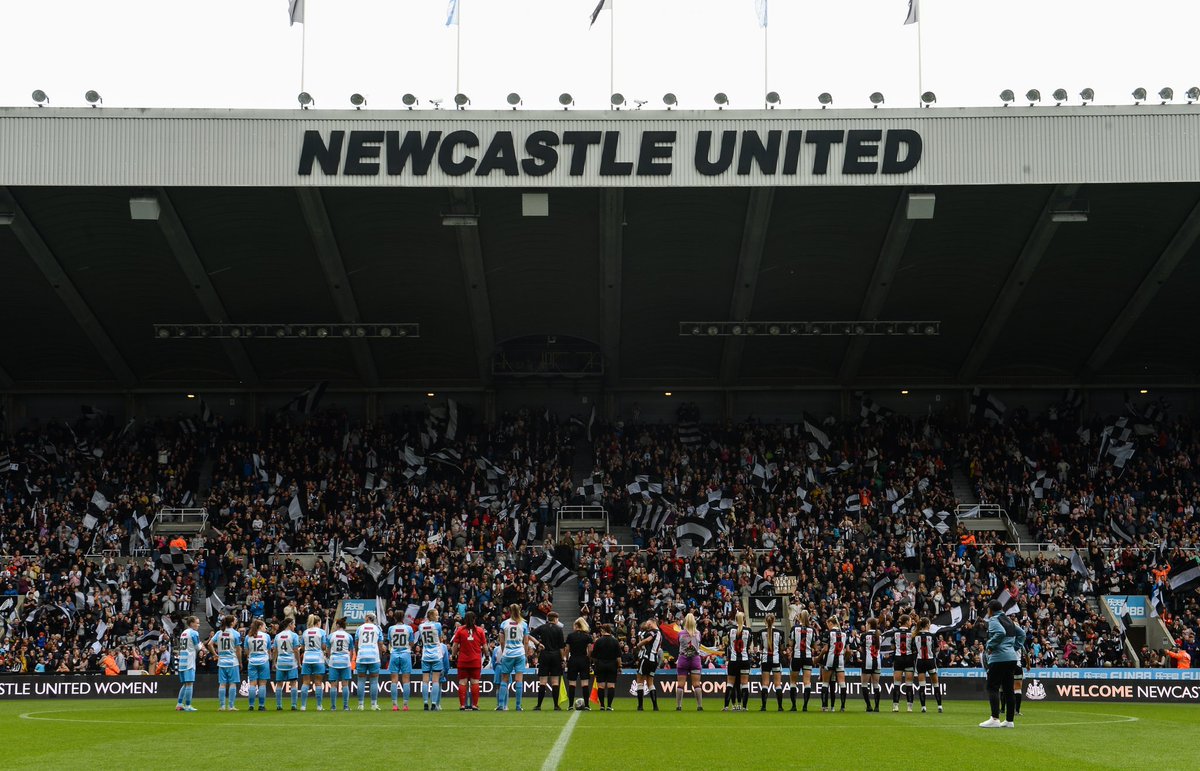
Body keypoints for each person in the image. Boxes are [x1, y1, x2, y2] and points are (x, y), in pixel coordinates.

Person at [980, 599, 1025, 729]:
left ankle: (994, 718)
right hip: (1011, 659)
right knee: (1008, 689)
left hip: (999, 658)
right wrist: (1014, 647)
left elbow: (1000, 633)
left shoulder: (994, 620)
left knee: (992, 687)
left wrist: (990, 645)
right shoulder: (1009, 620)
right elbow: (1022, 634)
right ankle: (1009, 721)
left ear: (990, 610)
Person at [450, 611, 487, 711]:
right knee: (475, 682)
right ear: (474, 619)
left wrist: (453, 656)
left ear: (464, 619)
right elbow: (484, 646)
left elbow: (455, 645)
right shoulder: (480, 630)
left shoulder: (460, 630)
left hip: (463, 660)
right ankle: (474, 705)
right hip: (475, 660)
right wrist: (487, 656)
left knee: (462, 682)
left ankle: (462, 705)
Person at [496, 604, 529, 711]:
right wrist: (525, 653)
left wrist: (503, 651)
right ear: (519, 611)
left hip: (508, 653)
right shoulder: (523, 624)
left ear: (509, 611)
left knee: (504, 680)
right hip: (519, 653)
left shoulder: (504, 623)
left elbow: (501, 641)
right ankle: (518, 706)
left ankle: (501, 705)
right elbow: (526, 641)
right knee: (519, 680)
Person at [531, 611, 567, 711]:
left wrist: (538, 644)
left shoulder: (542, 627)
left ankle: (538, 705)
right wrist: (563, 659)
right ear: (555, 619)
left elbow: (530, 635)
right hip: (555, 656)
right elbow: (561, 647)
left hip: (544, 655)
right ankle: (556, 705)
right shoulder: (559, 629)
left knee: (542, 681)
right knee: (555, 682)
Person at [207, 615, 242, 711]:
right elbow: (238, 649)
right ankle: (231, 706)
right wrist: (240, 662)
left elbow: (209, 644)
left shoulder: (219, 632)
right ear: (231, 623)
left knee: (222, 684)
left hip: (221, 661)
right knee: (232, 683)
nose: (236, 621)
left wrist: (215, 654)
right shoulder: (235, 633)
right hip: (232, 661)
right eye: (235, 620)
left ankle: (222, 706)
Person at [788, 609, 818, 712]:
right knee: (807, 682)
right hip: (808, 657)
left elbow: (791, 644)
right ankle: (805, 706)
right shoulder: (812, 630)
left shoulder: (794, 628)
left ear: (799, 617)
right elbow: (815, 645)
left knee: (793, 681)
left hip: (796, 657)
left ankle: (794, 706)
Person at [417, 609, 447, 711]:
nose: (438, 617)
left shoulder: (421, 626)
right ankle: (434, 703)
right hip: (436, 655)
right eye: (437, 615)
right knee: (435, 681)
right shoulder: (438, 625)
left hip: (425, 655)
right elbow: (439, 637)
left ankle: (425, 702)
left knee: (425, 681)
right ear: (432, 616)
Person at [914, 617, 943, 714]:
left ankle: (923, 707)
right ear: (927, 625)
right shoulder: (932, 636)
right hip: (930, 661)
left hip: (920, 661)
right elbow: (937, 649)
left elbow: (913, 649)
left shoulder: (916, 636)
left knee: (922, 685)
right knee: (935, 684)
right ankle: (939, 706)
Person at [675, 613, 703, 711]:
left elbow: (678, 643)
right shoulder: (698, 633)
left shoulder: (681, 634)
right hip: (695, 659)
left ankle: (679, 706)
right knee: (696, 684)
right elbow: (699, 644)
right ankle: (699, 706)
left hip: (683, 659)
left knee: (680, 684)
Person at [887, 613, 915, 713]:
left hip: (898, 659)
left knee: (897, 683)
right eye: (910, 621)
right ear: (907, 622)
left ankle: (895, 706)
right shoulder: (912, 634)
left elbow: (892, 647)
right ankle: (909, 707)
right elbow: (914, 647)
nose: (911, 622)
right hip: (908, 658)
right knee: (909, 684)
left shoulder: (895, 633)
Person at [724, 611, 751, 711]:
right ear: (744, 619)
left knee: (730, 683)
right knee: (744, 684)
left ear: (735, 619)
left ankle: (726, 706)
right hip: (744, 660)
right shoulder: (748, 630)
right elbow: (748, 645)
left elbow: (727, 645)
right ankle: (744, 707)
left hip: (733, 660)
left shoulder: (730, 630)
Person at [299, 614, 328, 711]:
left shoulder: (305, 632)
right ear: (318, 622)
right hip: (318, 659)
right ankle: (319, 706)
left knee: (305, 682)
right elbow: (324, 647)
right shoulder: (322, 632)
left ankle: (303, 706)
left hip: (307, 659)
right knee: (318, 683)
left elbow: (302, 647)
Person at [387, 612, 414, 711]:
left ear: (394, 617)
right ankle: (405, 705)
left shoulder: (391, 628)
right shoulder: (409, 628)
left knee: (394, 680)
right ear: (403, 618)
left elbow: (390, 642)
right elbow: (411, 642)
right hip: (405, 653)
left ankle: (394, 705)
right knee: (406, 680)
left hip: (394, 654)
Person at [355, 612, 383, 711]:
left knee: (361, 680)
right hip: (373, 656)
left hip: (362, 655)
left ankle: (360, 705)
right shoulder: (377, 628)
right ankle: (373, 705)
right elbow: (380, 644)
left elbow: (356, 642)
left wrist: (358, 653)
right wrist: (379, 656)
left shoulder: (360, 628)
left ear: (367, 618)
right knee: (374, 681)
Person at [244, 618, 273, 711]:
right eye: (264, 626)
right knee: (262, 684)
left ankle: (251, 705)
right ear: (260, 626)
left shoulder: (248, 637)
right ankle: (261, 705)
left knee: (252, 683)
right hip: (263, 661)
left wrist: (250, 656)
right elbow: (269, 649)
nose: (266, 628)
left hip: (252, 661)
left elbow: (246, 650)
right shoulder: (266, 636)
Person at [757, 613, 784, 712]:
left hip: (765, 660)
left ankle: (764, 707)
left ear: (765, 621)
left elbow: (760, 648)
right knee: (778, 684)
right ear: (774, 621)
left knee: (765, 683)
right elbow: (781, 648)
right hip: (776, 660)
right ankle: (780, 707)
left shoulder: (761, 632)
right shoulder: (780, 632)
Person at [633, 618, 662, 711]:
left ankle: (640, 706)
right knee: (650, 681)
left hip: (646, 658)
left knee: (640, 679)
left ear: (653, 622)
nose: (647, 625)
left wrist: (639, 644)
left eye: (648, 623)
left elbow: (648, 639)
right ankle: (655, 706)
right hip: (654, 659)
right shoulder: (659, 633)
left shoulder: (653, 632)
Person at [820, 616, 847, 712]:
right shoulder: (844, 633)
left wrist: (819, 657)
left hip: (829, 660)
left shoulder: (828, 633)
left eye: (828, 624)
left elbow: (825, 649)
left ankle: (824, 706)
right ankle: (843, 706)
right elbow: (847, 650)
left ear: (831, 623)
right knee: (842, 683)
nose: (827, 626)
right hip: (840, 660)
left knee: (825, 683)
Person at [590, 623, 620, 711]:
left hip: (600, 664)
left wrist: (596, 663)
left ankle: (602, 705)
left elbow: (594, 655)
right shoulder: (615, 641)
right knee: (611, 685)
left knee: (601, 686)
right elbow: (618, 656)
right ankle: (609, 706)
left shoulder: (598, 641)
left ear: (603, 630)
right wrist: (620, 666)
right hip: (612, 665)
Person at [273, 617, 301, 711]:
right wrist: (299, 662)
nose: (295, 626)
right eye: (293, 624)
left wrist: (274, 662)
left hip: (280, 662)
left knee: (279, 684)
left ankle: (278, 705)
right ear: (290, 624)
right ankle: (293, 705)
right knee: (293, 683)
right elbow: (296, 650)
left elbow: (275, 650)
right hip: (291, 662)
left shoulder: (278, 636)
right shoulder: (294, 635)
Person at [565, 618, 593, 710]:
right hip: (583, 659)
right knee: (585, 683)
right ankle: (587, 705)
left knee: (572, 683)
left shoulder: (570, 636)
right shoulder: (587, 636)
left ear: (576, 625)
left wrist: (567, 659)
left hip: (573, 659)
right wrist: (588, 658)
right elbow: (590, 650)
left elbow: (567, 649)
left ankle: (570, 705)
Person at [328, 618, 355, 711]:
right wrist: (350, 660)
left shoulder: (331, 635)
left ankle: (333, 706)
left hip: (334, 660)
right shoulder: (348, 636)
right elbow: (351, 650)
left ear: (338, 625)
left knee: (333, 685)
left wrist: (329, 658)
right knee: (345, 685)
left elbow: (328, 649)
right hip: (345, 660)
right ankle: (346, 706)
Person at [175, 615, 200, 712]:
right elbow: (197, 647)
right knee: (189, 684)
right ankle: (188, 705)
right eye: (197, 623)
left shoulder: (184, 633)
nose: (198, 625)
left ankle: (179, 704)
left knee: (185, 684)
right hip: (189, 661)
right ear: (191, 623)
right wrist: (202, 645)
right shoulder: (194, 633)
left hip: (182, 660)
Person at [858, 617, 882, 712]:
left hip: (867, 662)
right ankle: (877, 707)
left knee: (864, 684)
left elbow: (862, 649)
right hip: (877, 662)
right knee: (876, 684)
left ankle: (868, 706)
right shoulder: (879, 635)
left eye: (866, 624)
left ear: (869, 624)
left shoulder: (864, 635)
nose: (865, 626)